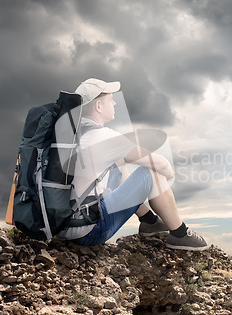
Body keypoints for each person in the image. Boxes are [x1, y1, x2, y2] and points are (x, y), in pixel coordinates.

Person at [56, 78, 210, 251]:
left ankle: (149, 221)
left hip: (64, 224)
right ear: (98, 106)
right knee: (152, 172)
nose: (114, 103)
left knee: (118, 162)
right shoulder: (102, 136)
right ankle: (180, 234)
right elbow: (161, 164)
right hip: (90, 230)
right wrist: (165, 177)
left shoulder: (71, 134)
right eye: (110, 100)